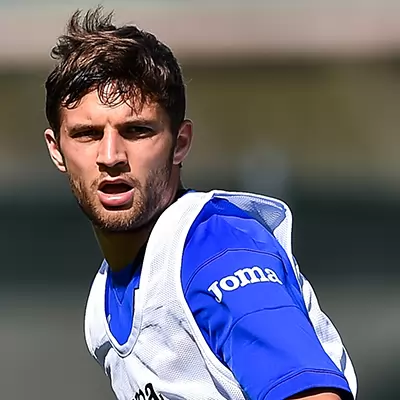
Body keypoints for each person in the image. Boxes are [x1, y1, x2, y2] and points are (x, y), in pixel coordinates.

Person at [44, 7, 357, 400]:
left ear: (180, 143)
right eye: (87, 134)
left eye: (137, 130)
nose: (111, 156)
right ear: (56, 150)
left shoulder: (217, 251)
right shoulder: (104, 300)